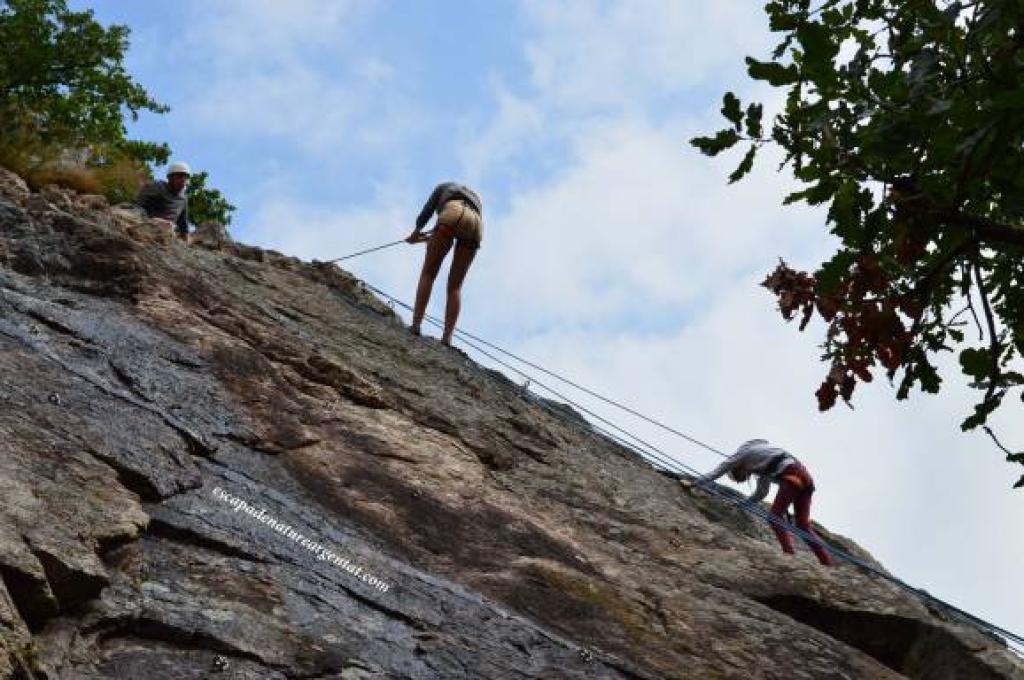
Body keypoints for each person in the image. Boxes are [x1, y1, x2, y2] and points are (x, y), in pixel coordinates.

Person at [683, 439, 833, 566]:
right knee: (803, 526)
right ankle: (826, 562)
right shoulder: (763, 460)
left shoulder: (741, 456)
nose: (743, 479)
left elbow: (718, 471)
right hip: (805, 479)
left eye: (739, 477)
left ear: (737, 468)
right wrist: (743, 504)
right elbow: (762, 493)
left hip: (792, 476)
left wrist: (695, 483)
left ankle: (789, 554)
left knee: (775, 516)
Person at [406, 181, 483, 346]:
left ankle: (416, 324)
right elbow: (455, 230)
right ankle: (447, 338)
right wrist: (428, 238)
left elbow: (426, 213)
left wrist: (416, 233)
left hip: (451, 213)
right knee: (455, 286)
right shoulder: (476, 198)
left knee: (429, 273)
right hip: (475, 224)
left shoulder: (443, 187)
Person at [137, 161, 191, 241]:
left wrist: (186, 242)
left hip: (168, 231)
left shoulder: (183, 199)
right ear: (170, 178)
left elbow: (183, 225)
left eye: (185, 177)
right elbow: (139, 205)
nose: (183, 179)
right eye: (179, 176)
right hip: (146, 223)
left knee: (169, 227)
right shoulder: (157, 187)